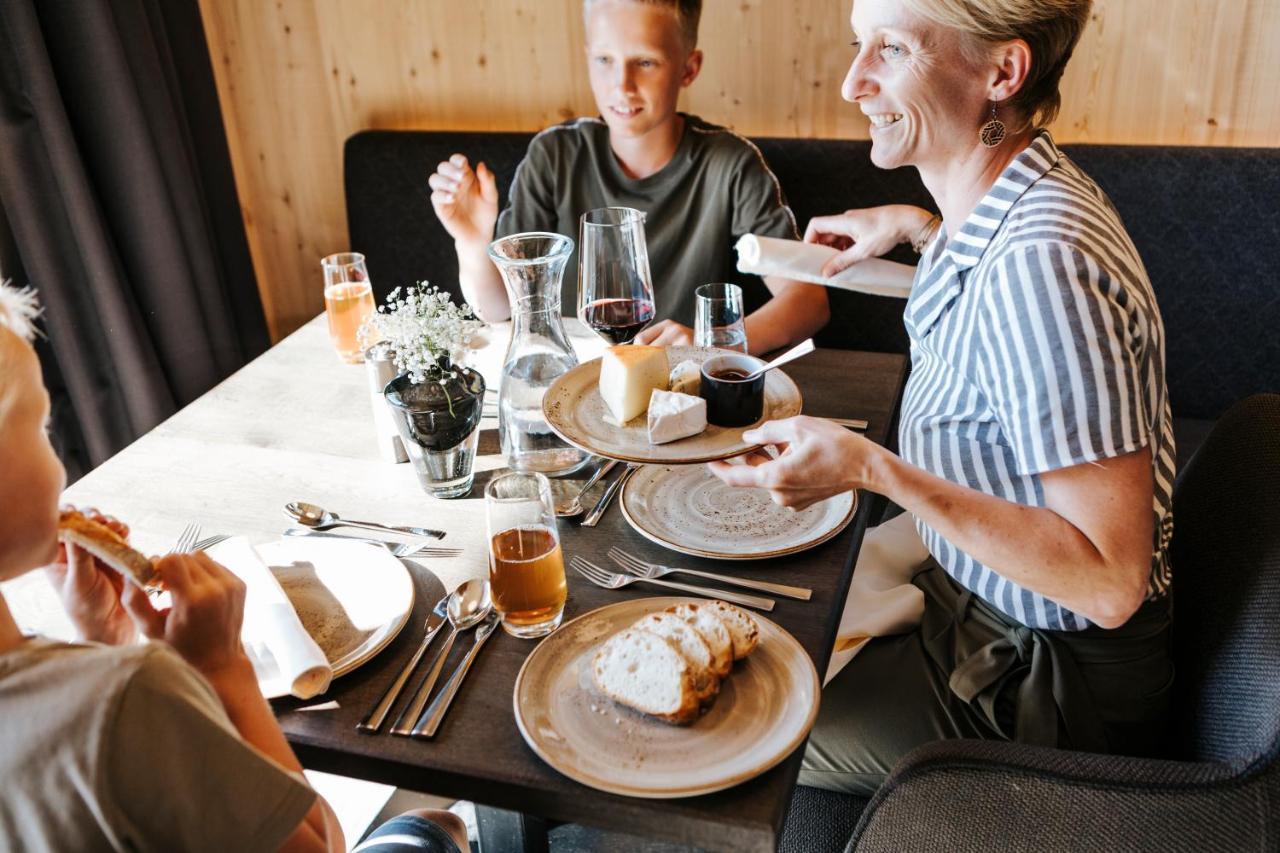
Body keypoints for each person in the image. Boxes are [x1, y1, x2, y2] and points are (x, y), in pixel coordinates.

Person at [710, 0, 1176, 796]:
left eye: (891, 49)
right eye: (860, 44)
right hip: (973, 598)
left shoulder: (1042, 264)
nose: (854, 81)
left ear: (1002, 72)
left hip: (1048, 687)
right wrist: (925, 231)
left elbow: (1108, 581)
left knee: (731, 728)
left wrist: (874, 470)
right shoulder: (1006, 202)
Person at [0, 284, 470, 851]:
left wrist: (108, 638)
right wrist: (223, 671)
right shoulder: (127, 698)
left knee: (424, 825)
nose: (54, 461)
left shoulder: (97, 692)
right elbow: (322, 841)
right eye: (38, 427)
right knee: (437, 829)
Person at [427, 0, 830, 355]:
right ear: (587, 57)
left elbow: (808, 300)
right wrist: (471, 242)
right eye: (605, 60)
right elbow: (499, 309)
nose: (622, 86)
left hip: (679, 390)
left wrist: (710, 343)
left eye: (646, 62)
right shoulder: (554, 155)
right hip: (574, 386)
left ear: (688, 69)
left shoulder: (730, 164)